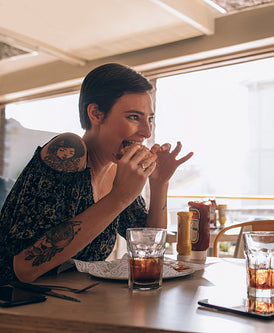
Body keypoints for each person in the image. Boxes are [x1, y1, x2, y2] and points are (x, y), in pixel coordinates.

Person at [0, 63, 193, 284]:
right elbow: (25, 269)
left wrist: (159, 183)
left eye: (149, 118)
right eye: (133, 117)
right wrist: (120, 196)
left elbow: (149, 249)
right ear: (96, 114)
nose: (146, 132)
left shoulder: (117, 172)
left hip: (72, 298)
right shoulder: (68, 150)